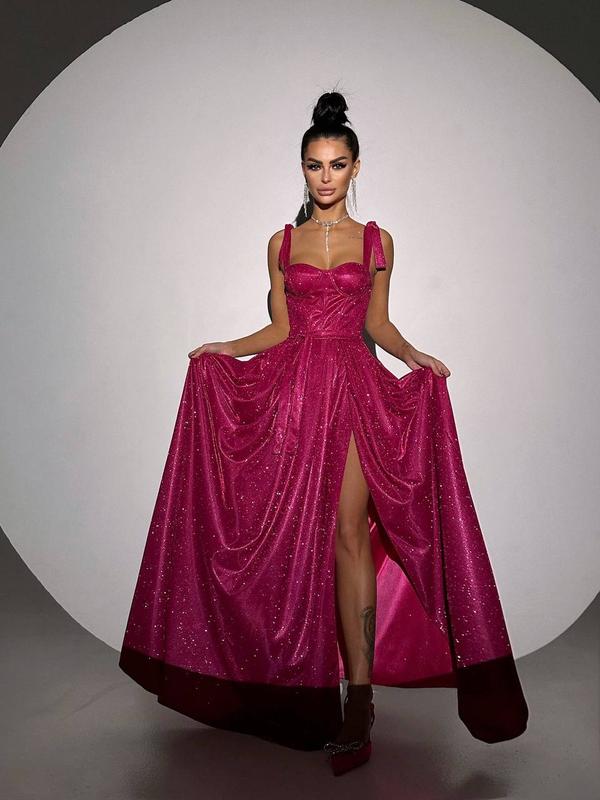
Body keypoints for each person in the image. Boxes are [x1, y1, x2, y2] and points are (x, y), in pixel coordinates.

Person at [119, 90, 528, 776]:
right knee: (287, 538)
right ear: (303, 168)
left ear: (356, 167)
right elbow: (281, 328)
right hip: (295, 395)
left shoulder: (377, 242)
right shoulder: (281, 243)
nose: (326, 176)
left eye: (338, 164)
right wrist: (226, 348)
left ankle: (358, 697)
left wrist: (414, 357)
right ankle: (295, 676)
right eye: (315, 165)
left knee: (347, 534)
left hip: (355, 391)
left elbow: (376, 324)